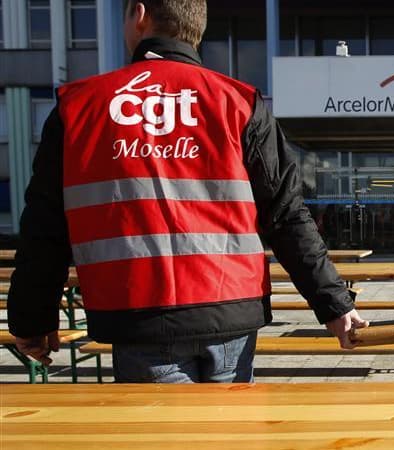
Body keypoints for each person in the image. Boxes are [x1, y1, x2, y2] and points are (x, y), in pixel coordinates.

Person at [8, 0, 367, 383]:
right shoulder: (239, 102)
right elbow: (286, 215)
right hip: (230, 309)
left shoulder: (78, 107)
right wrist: (333, 305)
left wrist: (32, 318)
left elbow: (45, 227)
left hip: (139, 313)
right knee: (229, 437)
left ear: (140, 15)